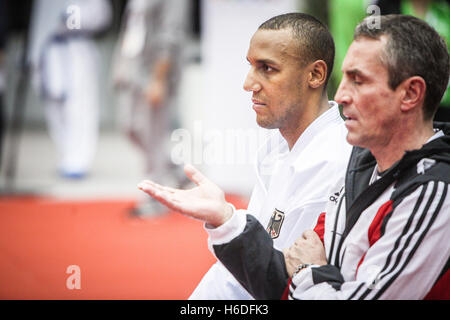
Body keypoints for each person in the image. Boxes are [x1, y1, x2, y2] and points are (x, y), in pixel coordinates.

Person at [141, 14, 450, 300]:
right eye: (345, 78)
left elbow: (293, 281)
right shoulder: (361, 163)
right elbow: (276, 278)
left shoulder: (427, 188)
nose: (341, 95)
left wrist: (308, 273)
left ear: (410, 94)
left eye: (359, 80)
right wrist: (226, 221)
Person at [139, 13, 353, 299]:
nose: (249, 83)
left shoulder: (336, 162)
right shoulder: (276, 148)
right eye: (252, 66)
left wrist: (227, 221)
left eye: (268, 68)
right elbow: (244, 273)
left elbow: (278, 283)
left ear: (315, 75)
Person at [111, 0, 191, 216]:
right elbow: (131, 28)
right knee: (131, 128)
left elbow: (170, 36)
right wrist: (120, 65)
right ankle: (178, 173)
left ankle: (155, 199)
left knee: (152, 135)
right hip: (133, 70)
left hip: (154, 73)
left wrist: (159, 78)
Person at [29, 0, 112, 179]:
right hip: (50, 51)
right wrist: (33, 57)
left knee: (80, 108)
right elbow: (39, 25)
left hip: (77, 47)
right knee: (54, 108)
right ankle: (66, 155)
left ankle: (79, 160)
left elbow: (102, 15)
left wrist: (74, 16)